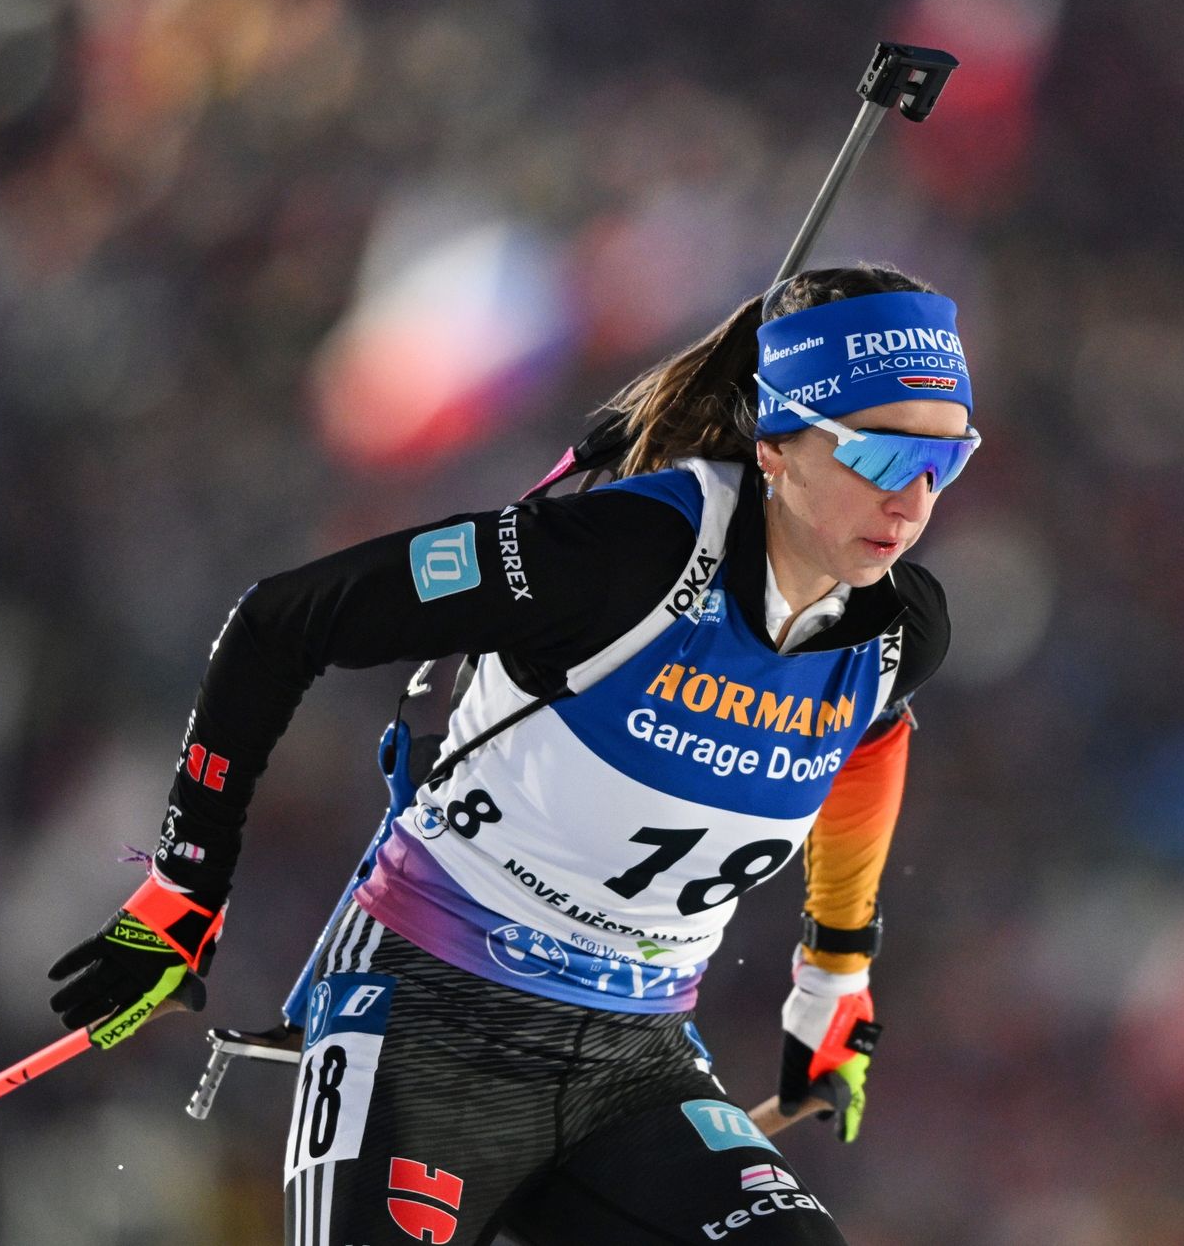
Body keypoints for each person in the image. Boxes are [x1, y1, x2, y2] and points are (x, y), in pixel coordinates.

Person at [47, 262, 977, 1244]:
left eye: (943, 461)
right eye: (877, 457)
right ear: (778, 446)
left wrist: (834, 971)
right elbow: (280, 621)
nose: (911, 499)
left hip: (633, 1060)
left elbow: (869, 739)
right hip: (428, 1022)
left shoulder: (894, 631)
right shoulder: (620, 557)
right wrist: (184, 887)